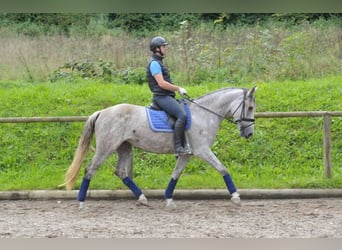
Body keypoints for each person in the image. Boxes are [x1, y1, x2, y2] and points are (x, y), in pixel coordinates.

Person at [146, 36, 192, 156]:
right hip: (161, 97)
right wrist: (178, 88)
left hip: (167, 96)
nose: (166, 48)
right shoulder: (154, 64)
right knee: (182, 115)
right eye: (164, 46)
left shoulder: (159, 62)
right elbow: (161, 83)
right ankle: (178, 148)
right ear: (157, 49)